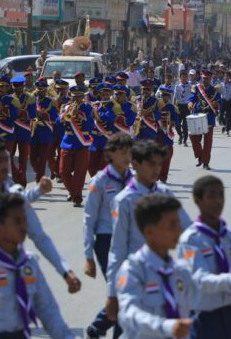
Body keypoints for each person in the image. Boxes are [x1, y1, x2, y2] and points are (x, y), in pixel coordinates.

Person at [0, 135, 81, 292]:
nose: (5, 166)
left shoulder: (15, 197)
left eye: (5, 160)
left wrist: (65, 271)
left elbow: (40, 237)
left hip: (17, 275)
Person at [0, 192, 74, 339]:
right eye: (17, 221)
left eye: (24, 220)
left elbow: (47, 310)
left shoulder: (29, 263)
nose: (24, 226)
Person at [104, 141, 192, 329]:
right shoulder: (124, 200)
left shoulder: (165, 194)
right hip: (136, 274)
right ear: (135, 164)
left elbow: (189, 230)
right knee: (131, 327)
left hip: (163, 272)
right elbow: (117, 247)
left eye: (159, 164)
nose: (156, 169)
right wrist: (112, 293)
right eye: (151, 164)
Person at [177, 176, 231, 339]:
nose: (218, 201)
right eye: (211, 196)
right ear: (197, 200)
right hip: (204, 322)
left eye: (221, 195)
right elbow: (199, 280)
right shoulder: (191, 240)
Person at [116, 194, 196, 339]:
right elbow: (129, 314)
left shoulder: (180, 270)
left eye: (178, 224)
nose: (179, 230)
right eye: (172, 225)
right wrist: (166, 326)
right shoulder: (133, 270)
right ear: (149, 231)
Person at [83, 133, 133, 339]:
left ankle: (99, 328)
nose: (127, 157)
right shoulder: (99, 181)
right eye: (122, 153)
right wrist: (88, 257)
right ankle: (99, 327)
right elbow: (88, 219)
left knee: (129, 293)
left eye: (130, 152)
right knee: (123, 292)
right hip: (107, 243)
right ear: (110, 154)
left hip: (131, 242)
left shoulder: (135, 179)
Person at [59, 85, 95, 207]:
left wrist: (81, 117)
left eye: (79, 97)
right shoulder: (66, 107)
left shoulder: (88, 108)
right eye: (74, 97)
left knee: (80, 173)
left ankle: (77, 197)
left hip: (82, 142)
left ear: (83, 97)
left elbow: (91, 126)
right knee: (63, 171)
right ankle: (72, 192)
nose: (76, 100)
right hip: (67, 141)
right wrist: (68, 115)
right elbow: (60, 122)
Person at [188, 71, 220, 170]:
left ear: (210, 79)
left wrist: (216, 104)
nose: (205, 80)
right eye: (204, 78)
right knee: (193, 137)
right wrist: (189, 103)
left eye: (207, 78)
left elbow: (219, 102)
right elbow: (192, 98)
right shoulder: (197, 88)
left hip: (209, 117)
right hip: (197, 116)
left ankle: (205, 163)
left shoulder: (215, 90)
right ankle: (200, 156)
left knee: (207, 142)